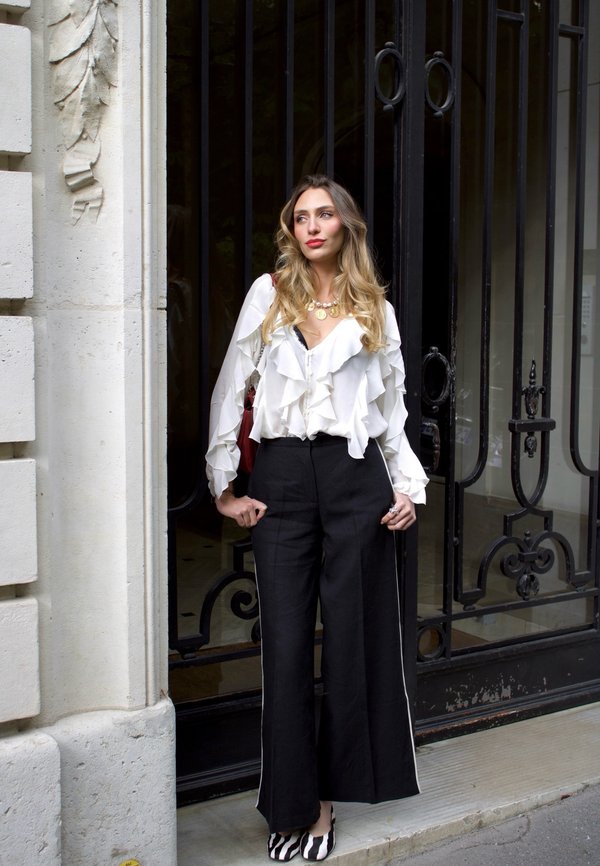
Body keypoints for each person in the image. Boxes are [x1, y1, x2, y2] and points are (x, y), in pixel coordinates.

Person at [206, 175, 428, 862]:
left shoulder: (374, 308)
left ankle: (328, 802)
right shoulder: (268, 295)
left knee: (357, 640)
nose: (311, 226)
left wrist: (409, 487)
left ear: (345, 226)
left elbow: (390, 410)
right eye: (300, 216)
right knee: (286, 644)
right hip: (280, 478)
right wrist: (224, 482)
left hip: (355, 477)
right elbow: (232, 385)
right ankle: (290, 806)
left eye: (324, 214)